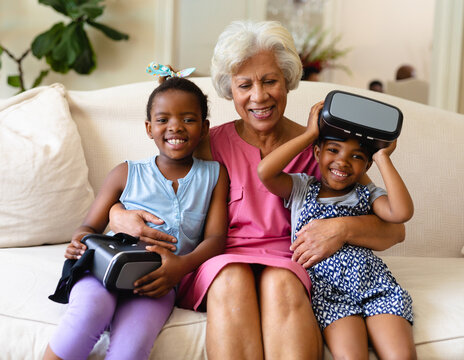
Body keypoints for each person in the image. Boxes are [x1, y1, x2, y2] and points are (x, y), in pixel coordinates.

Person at [108, 20, 406, 360]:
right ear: (230, 90)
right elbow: (150, 182)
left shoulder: (321, 150)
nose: (258, 96)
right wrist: (117, 214)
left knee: (280, 281)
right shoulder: (208, 143)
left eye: (269, 81)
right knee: (232, 276)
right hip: (219, 262)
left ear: (288, 82)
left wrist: (341, 228)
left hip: (289, 264)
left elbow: (394, 230)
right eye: (244, 84)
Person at [44, 77, 229, 360]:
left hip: (157, 282)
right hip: (103, 271)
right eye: (163, 119)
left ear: (205, 128)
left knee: (132, 348)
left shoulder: (215, 175)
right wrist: (78, 242)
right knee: (89, 314)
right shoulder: (125, 173)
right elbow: (88, 227)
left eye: (188, 119)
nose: (175, 126)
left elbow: (216, 239)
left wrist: (180, 267)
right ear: (149, 128)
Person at [257, 100, 416, 359]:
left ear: (366, 166)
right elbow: (265, 172)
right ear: (317, 153)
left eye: (356, 157)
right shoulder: (302, 188)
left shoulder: (368, 194)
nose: (342, 162)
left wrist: (382, 157)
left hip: (375, 285)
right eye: (333, 150)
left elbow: (401, 213)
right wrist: (309, 135)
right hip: (329, 295)